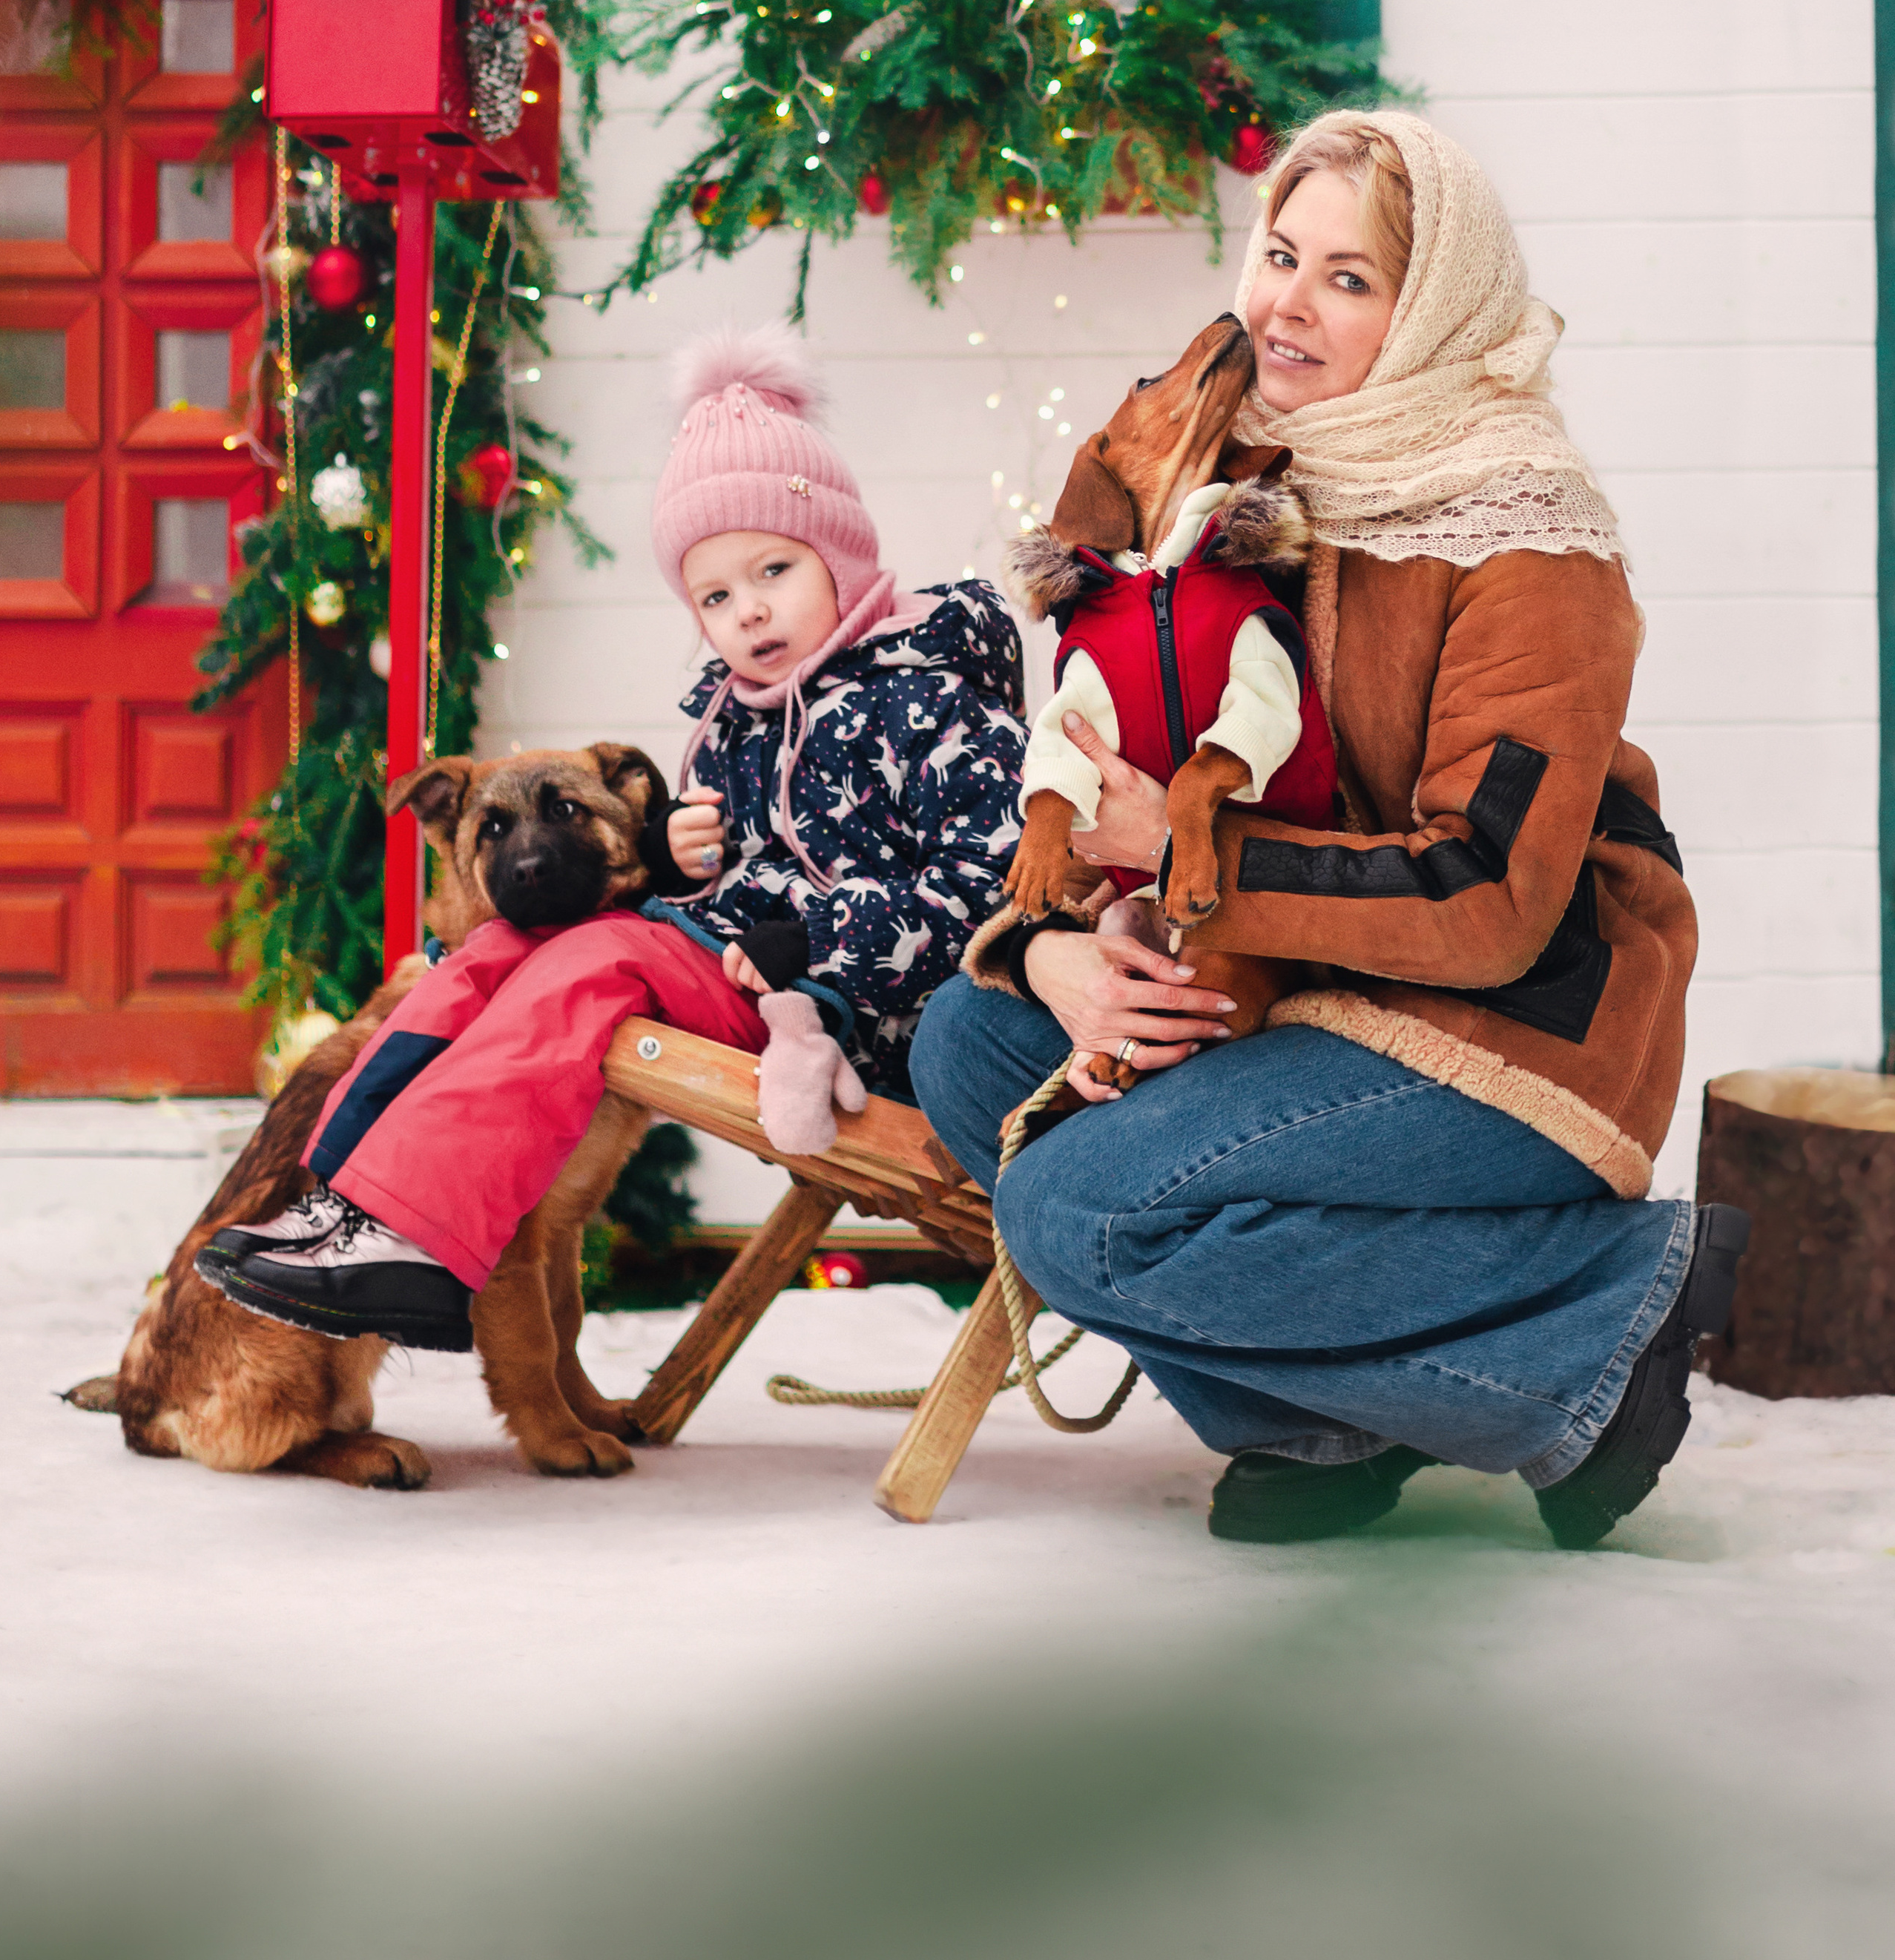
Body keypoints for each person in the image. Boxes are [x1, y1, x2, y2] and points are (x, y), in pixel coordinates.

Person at [912, 111, 1747, 1552]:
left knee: (1082, 1211)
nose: (1286, 303)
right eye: (1280, 255)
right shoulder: (1241, 479)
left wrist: (1189, 867)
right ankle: (1315, 1425)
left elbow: (1486, 899)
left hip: (1509, 1029)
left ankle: (1601, 1322)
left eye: (1348, 279)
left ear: (1431, 313)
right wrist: (1059, 950)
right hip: (1302, 983)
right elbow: (1108, 750)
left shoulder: (1528, 537)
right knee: (967, 1042)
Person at [204, 329, 1029, 1350]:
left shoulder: (933, 701)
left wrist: (813, 934)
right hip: (741, 970)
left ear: (841, 556)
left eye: (774, 569)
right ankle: (345, 1198)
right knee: (486, 955)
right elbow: (746, 873)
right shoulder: (735, 718)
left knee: (587, 959)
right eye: (715, 596)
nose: (749, 612)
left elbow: (994, 893)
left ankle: (416, 1236)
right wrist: (689, 864)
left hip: (862, 1018)